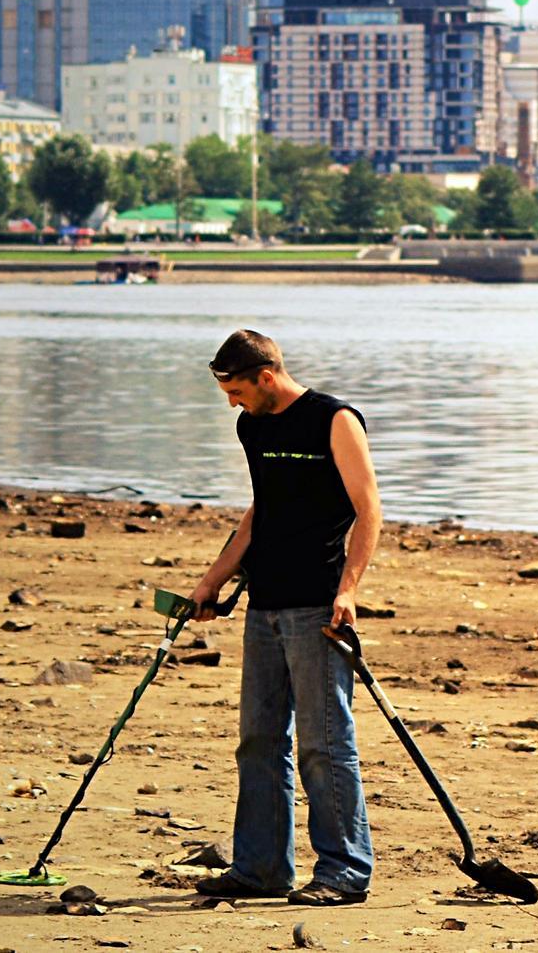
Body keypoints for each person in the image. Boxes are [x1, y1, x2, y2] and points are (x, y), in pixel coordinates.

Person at [190, 329, 381, 906]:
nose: (232, 403)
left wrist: (348, 591)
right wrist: (213, 579)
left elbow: (369, 509)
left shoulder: (335, 419)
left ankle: (345, 872)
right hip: (264, 604)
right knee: (259, 739)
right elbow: (261, 512)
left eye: (236, 390)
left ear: (266, 378)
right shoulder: (254, 424)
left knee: (325, 743)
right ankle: (262, 868)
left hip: (317, 607)